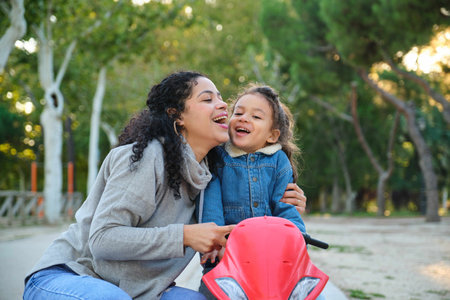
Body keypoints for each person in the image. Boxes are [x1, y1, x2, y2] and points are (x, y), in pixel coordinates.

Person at [23, 72, 307, 300]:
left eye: (222, 99)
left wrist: (286, 204)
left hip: (144, 293)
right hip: (71, 277)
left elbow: (245, 202)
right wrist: (184, 235)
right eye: (208, 99)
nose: (223, 106)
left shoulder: (210, 173)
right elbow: (102, 240)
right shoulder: (146, 157)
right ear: (177, 116)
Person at [197, 84, 317, 299]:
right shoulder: (216, 158)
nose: (243, 119)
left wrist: (298, 237)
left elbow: (285, 207)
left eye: (256, 117)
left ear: (272, 135)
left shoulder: (279, 161)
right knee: (213, 293)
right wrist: (214, 243)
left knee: (309, 293)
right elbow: (211, 205)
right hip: (227, 256)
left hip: (269, 257)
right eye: (239, 113)